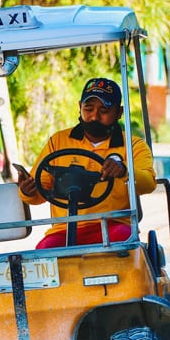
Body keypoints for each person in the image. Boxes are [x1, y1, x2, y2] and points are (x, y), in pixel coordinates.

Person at [17, 77, 157, 249]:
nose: (94, 116)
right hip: (64, 228)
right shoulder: (58, 141)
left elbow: (149, 183)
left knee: (125, 246)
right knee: (44, 253)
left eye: (103, 110)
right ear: (79, 107)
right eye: (88, 109)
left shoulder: (133, 145)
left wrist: (123, 171)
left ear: (119, 113)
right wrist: (27, 191)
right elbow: (40, 191)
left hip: (113, 225)